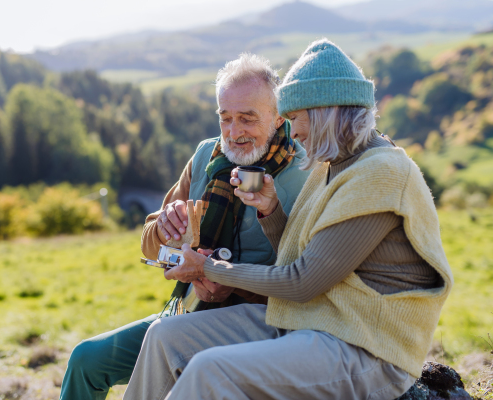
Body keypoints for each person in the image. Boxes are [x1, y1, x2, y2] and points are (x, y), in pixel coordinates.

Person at [122, 39, 454, 400]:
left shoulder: (382, 173)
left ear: (325, 111)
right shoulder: (330, 167)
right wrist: (271, 211)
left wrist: (207, 268)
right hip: (310, 322)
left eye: (295, 119)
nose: (292, 134)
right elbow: (299, 259)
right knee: (166, 337)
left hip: (365, 348)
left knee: (210, 371)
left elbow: (301, 282)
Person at [59, 54, 311, 400]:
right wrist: (164, 227)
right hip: (191, 310)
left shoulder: (306, 170)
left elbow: (308, 273)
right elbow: (149, 244)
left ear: (278, 115)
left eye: (248, 119)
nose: (234, 132)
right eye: (225, 118)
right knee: (87, 359)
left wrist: (225, 281)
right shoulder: (206, 155)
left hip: (263, 324)